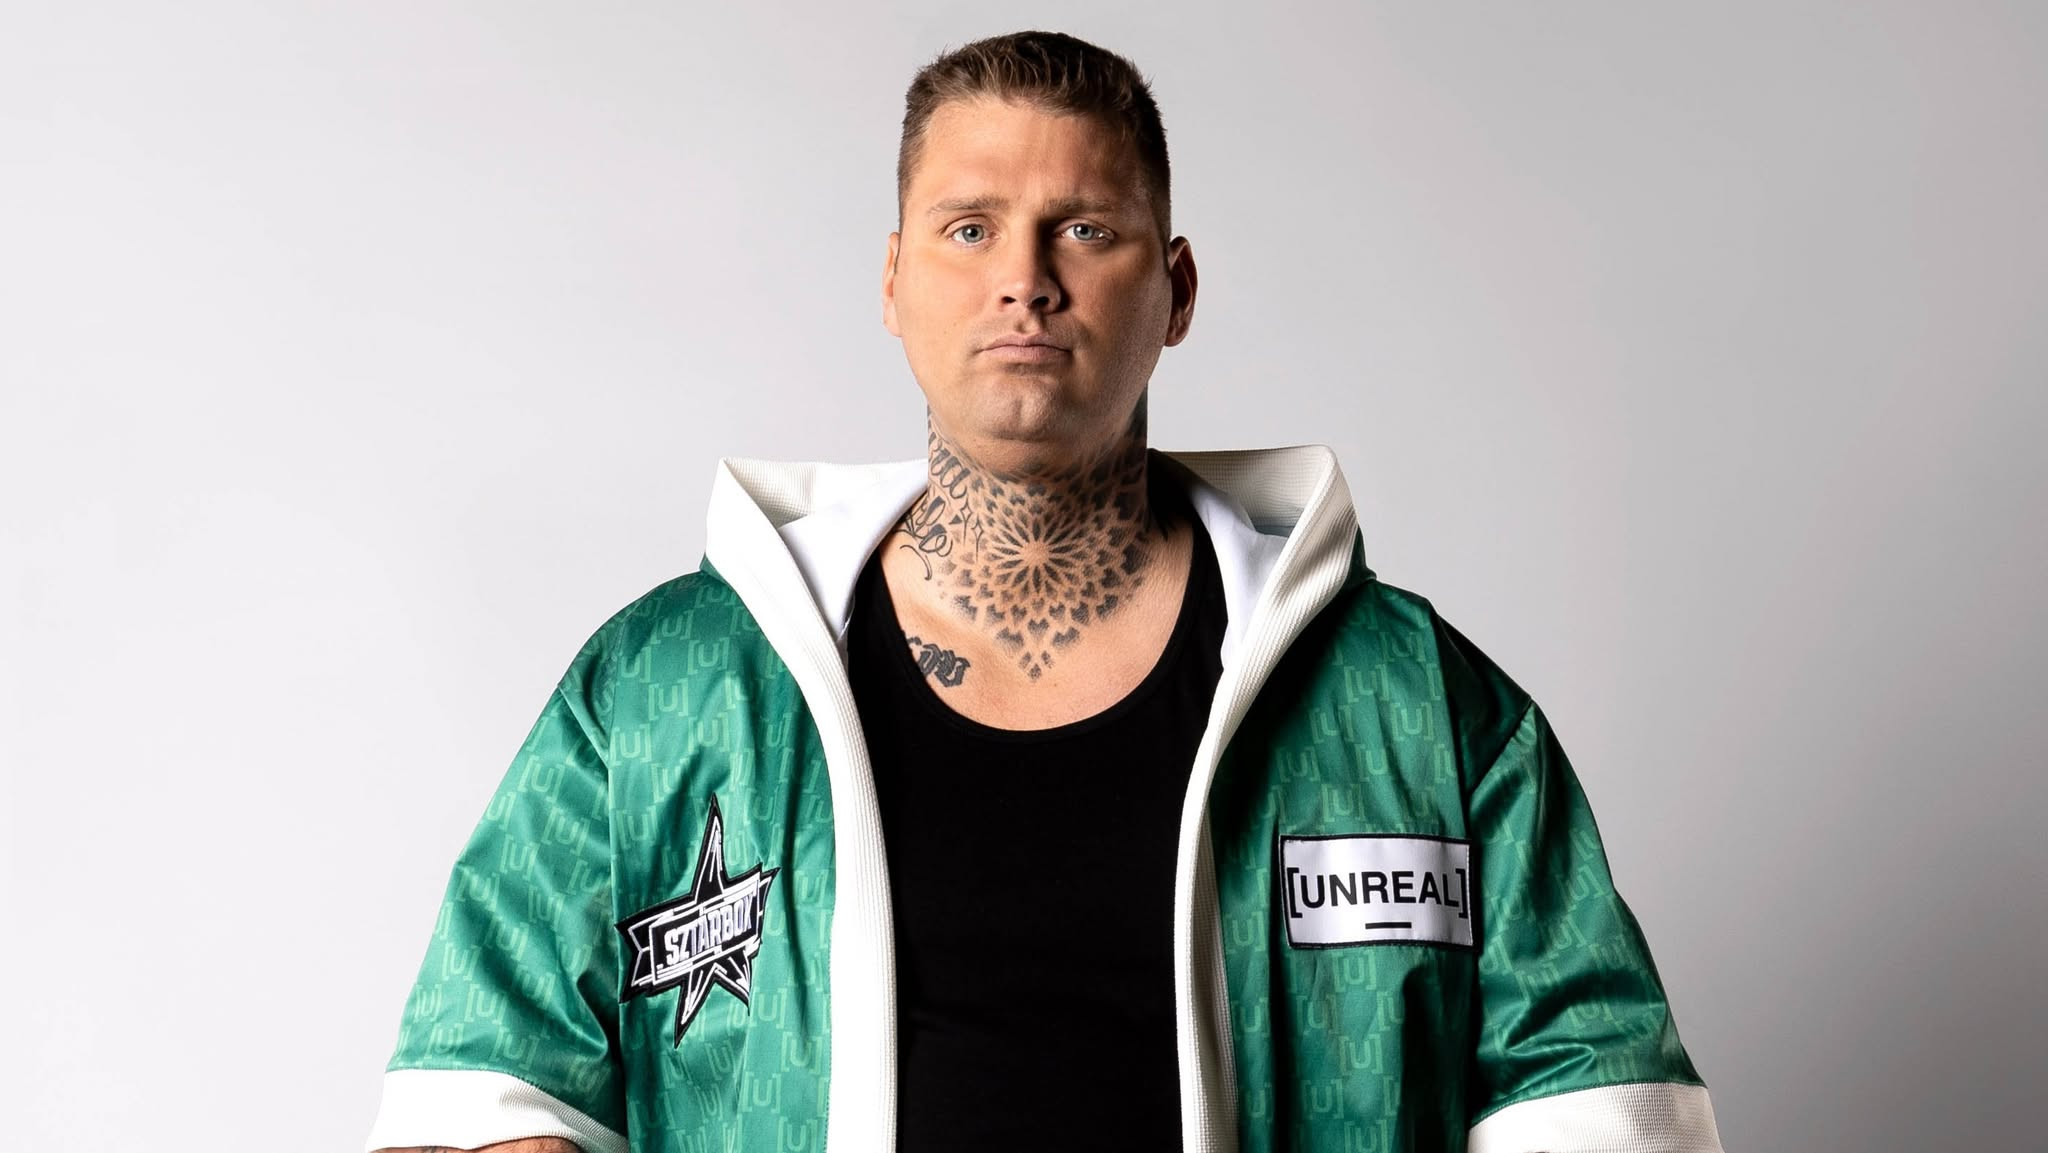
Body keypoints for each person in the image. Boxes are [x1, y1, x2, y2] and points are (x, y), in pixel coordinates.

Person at [365, 29, 1725, 1153]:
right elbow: (476, 1103)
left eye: (1084, 228)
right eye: (969, 229)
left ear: (1175, 290)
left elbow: (1605, 1105)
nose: (1025, 281)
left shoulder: (1414, 703)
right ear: (894, 282)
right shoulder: (663, 695)